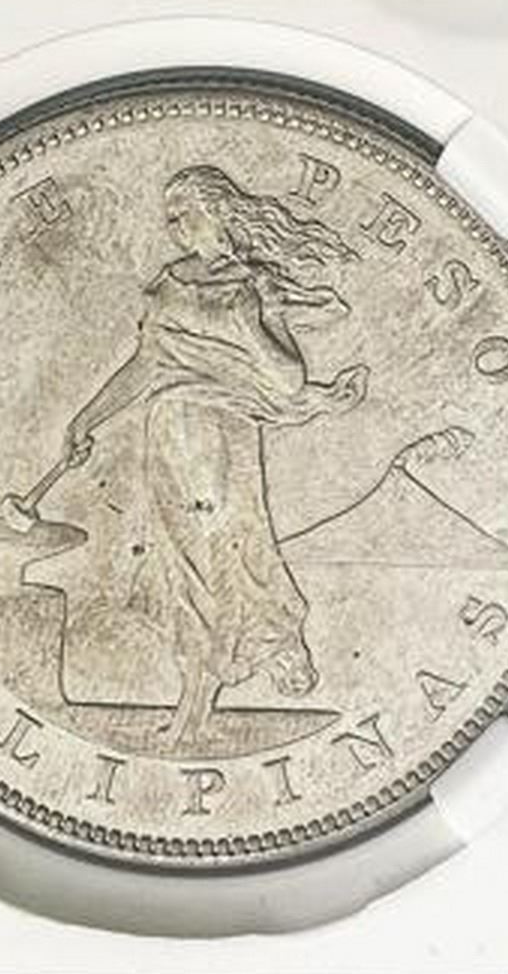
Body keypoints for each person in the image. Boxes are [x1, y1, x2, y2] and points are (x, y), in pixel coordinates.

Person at [64, 165, 368, 750]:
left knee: (222, 560)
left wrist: (254, 319)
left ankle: (217, 686)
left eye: (185, 213)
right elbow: (145, 366)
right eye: (169, 216)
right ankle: (244, 661)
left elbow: (284, 379)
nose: (174, 226)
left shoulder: (252, 287)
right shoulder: (169, 284)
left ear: (218, 212)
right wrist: (86, 419)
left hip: (223, 434)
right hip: (169, 435)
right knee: (183, 567)